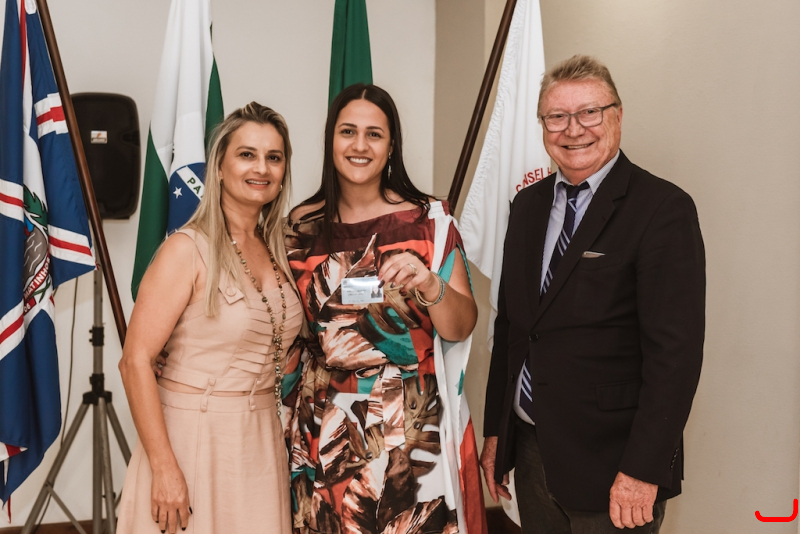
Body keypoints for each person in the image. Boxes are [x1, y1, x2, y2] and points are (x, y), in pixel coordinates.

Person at [480, 55, 705, 533]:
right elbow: (513, 327)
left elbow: (675, 357)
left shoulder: (663, 209)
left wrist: (643, 469)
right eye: (557, 116)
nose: (573, 129)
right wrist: (497, 431)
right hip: (532, 451)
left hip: (614, 464)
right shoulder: (527, 206)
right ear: (543, 125)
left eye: (589, 112)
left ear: (617, 116)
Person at [283, 83, 487, 534]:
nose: (360, 145)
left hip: (412, 431)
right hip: (326, 429)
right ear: (330, 140)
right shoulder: (298, 230)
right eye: (348, 132)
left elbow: (460, 327)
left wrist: (430, 284)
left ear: (391, 146)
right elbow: (283, 331)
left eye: (374, 134)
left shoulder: (429, 222)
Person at [117, 103, 304, 534]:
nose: (261, 168)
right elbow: (135, 362)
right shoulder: (186, 249)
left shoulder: (280, 249)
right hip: (192, 437)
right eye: (247, 154)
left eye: (274, 157)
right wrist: (164, 467)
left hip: (261, 437)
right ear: (219, 167)